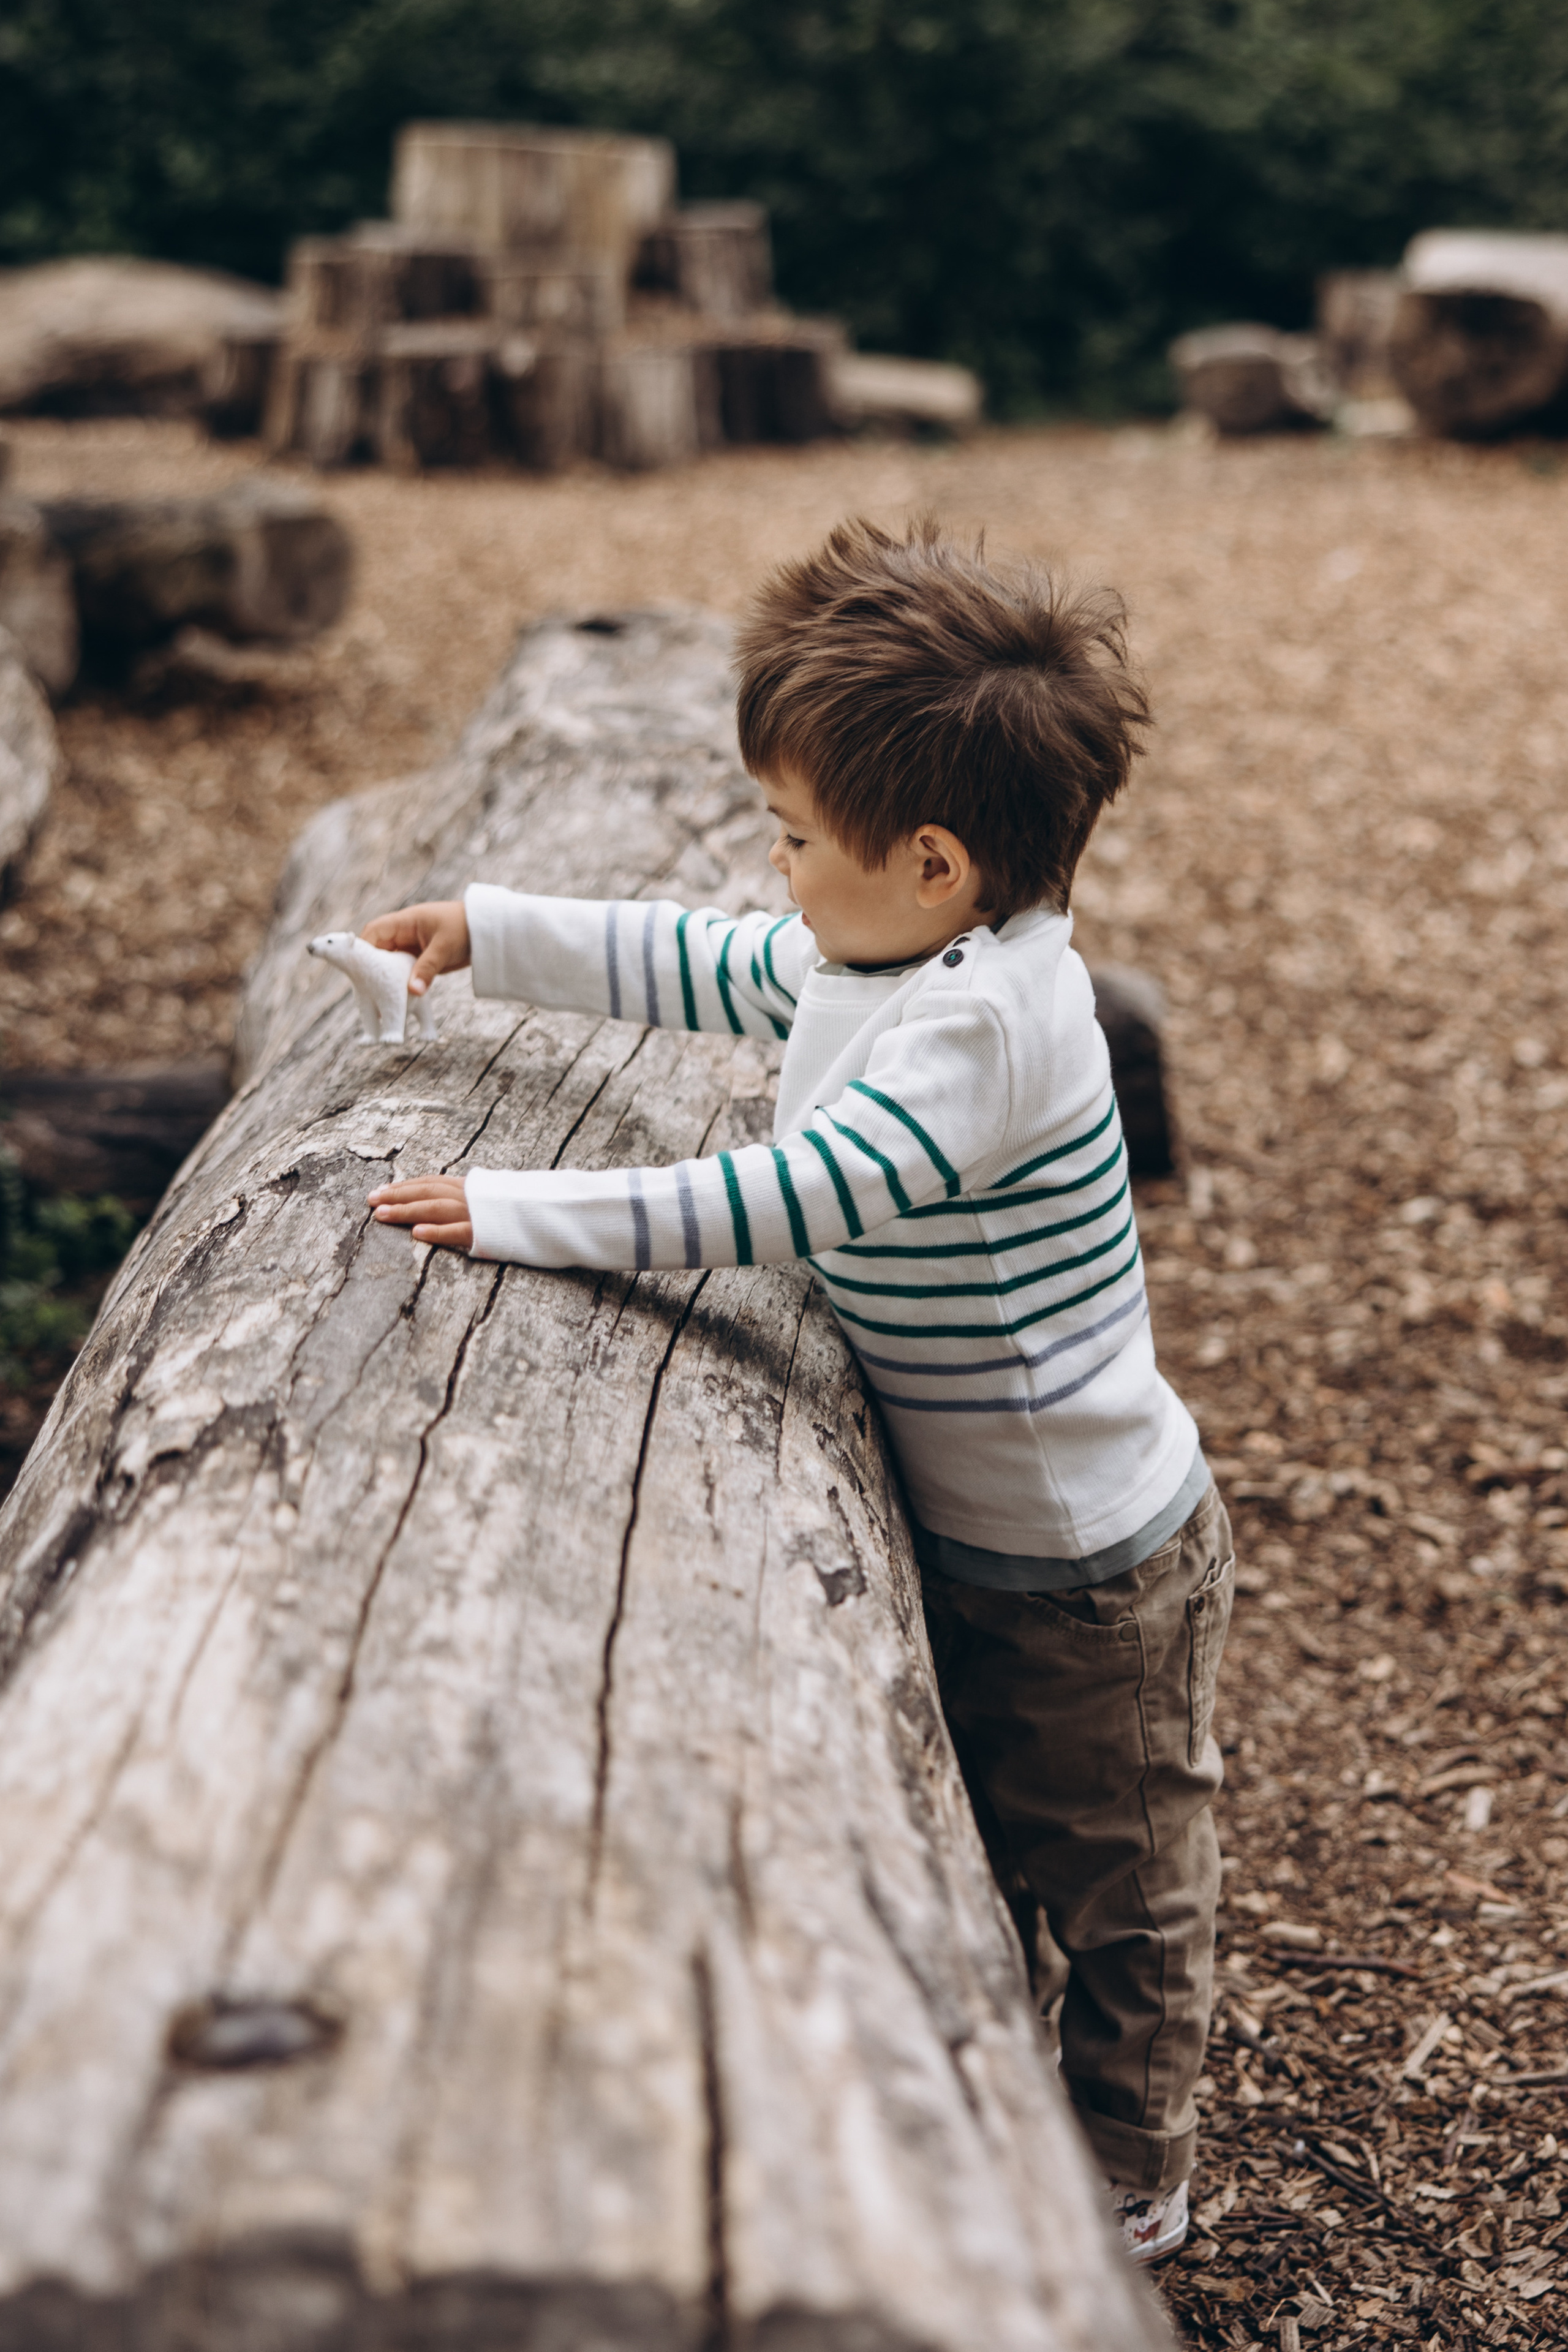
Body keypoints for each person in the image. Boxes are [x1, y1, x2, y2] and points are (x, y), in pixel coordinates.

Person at [362, 516, 1234, 2264]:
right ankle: (999, 2085)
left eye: (790, 835)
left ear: (929, 863)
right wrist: (488, 930)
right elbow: (700, 962)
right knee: (988, 1822)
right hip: (979, 1527)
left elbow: (783, 1202)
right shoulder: (888, 954)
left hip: (1085, 1563)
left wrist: (519, 1213)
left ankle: (1136, 2172)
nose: (771, 868)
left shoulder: (986, 1032)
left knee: (1120, 1875)